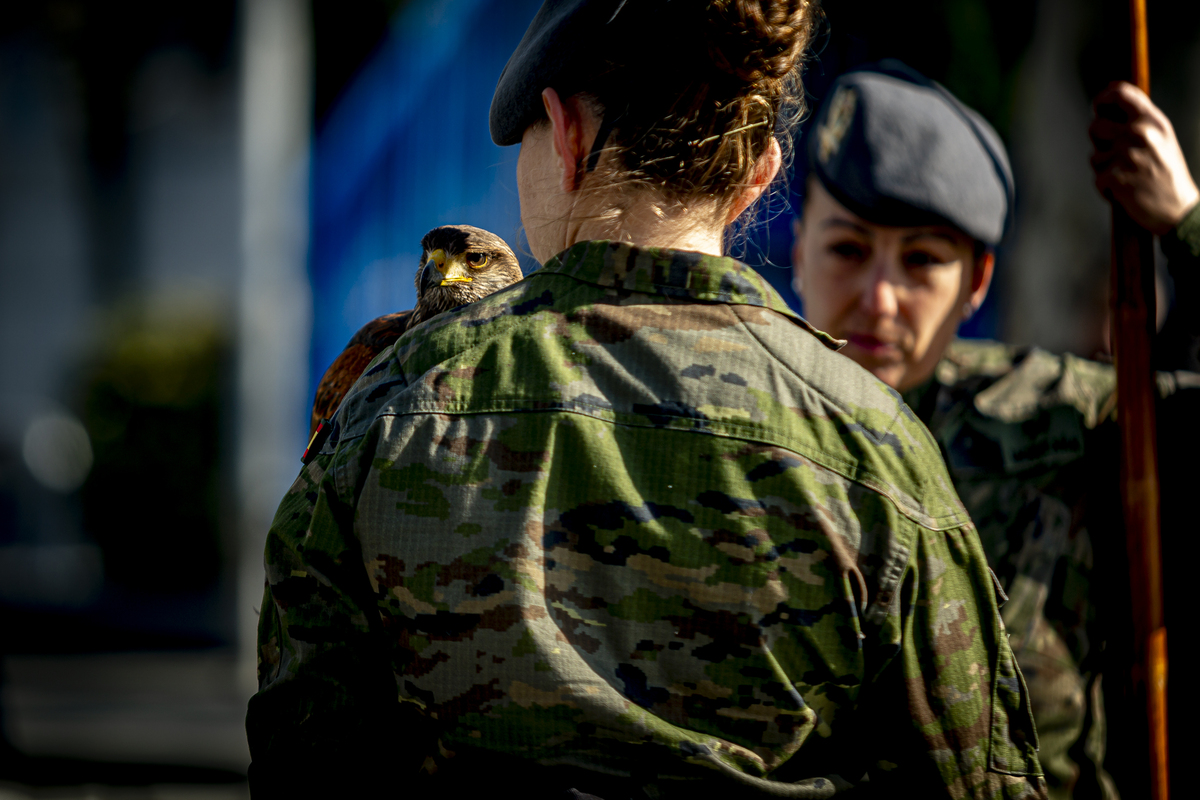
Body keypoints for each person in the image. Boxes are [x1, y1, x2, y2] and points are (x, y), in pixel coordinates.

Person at [247, 4, 1045, 798]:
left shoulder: (394, 402)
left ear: (565, 134)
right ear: (760, 174)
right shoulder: (879, 446)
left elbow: (306, 755)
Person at [791, 63, 1200, 800]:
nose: (879, 299)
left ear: (976, 281)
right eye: (849, 249)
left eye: (921, 261)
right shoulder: (742, 417)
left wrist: (1185, 227)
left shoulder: (1067, 419)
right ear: (799, 250)